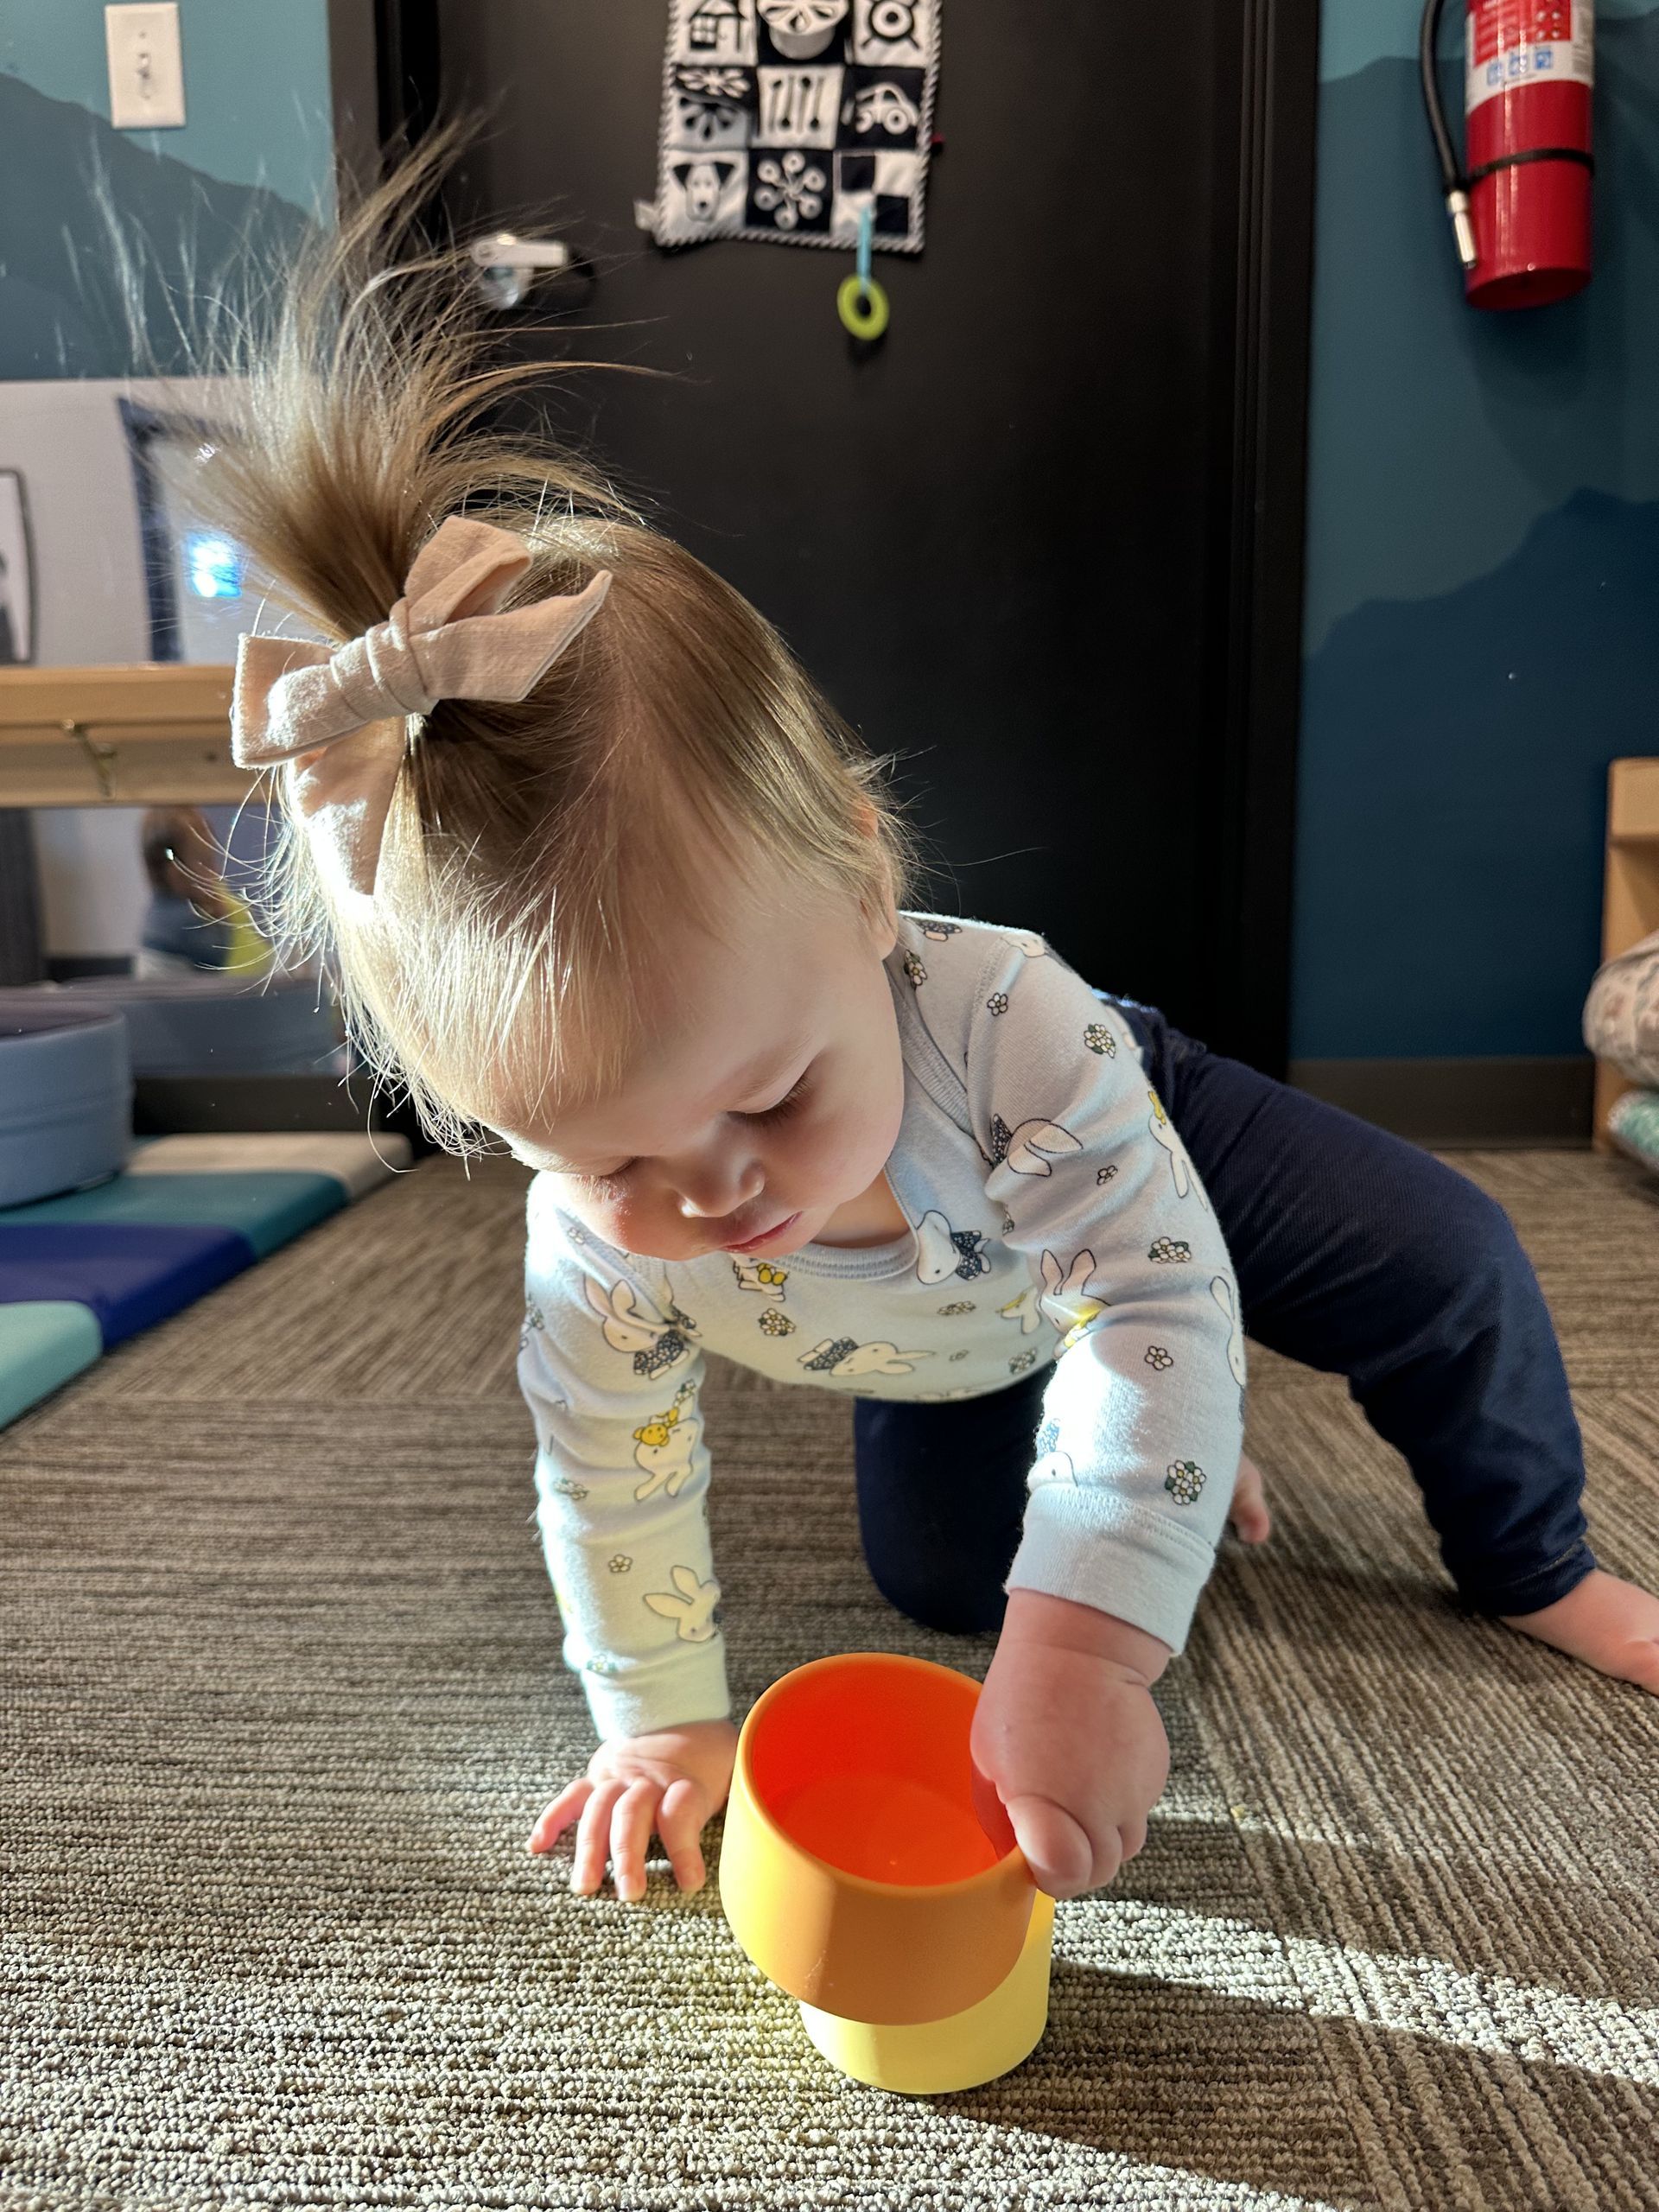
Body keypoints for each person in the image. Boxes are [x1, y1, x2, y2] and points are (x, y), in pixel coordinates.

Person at [213, 160, 1658, 1914]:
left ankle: (1537, 1563)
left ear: (867, 877)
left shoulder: (1013, 1022)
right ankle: (1145, 1439)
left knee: (1446, 1255)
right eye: (603, 1158)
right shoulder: (592, 1248)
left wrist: (1098, 1652)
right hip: (949, 1329)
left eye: (765, 1093)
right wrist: (660, 1727)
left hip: (1105, 1132)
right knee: (950, 1574)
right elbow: (607, 1468)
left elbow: (1150, 1290)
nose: (716, 1194)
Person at [137, 806, 271, 980]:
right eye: (206, 863)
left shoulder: (172, 910)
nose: (216, 872)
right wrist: (223, 919)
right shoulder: (178, 920)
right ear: (177, 872)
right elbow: (218, 955)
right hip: (171, 1000)